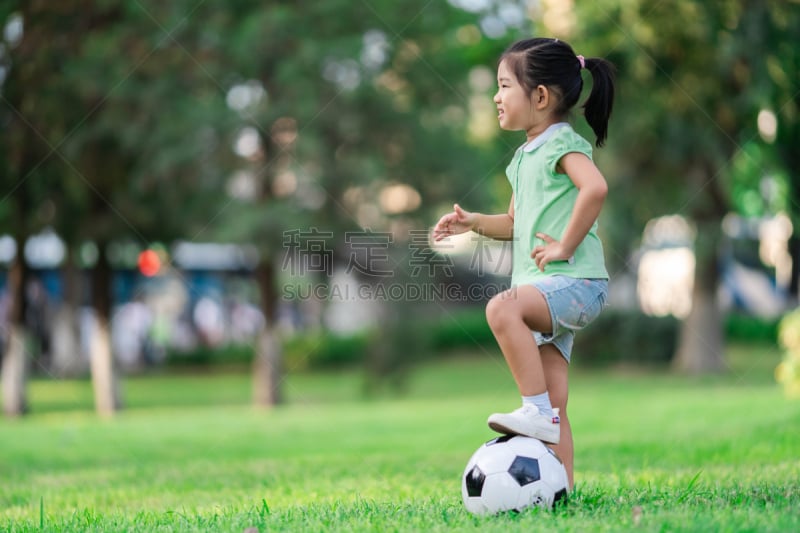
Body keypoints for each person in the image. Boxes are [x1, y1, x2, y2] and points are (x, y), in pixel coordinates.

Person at [432, 37, 615, 488]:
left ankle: (531, 411)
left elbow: (596, 189)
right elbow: (515, 223)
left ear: (539, 96)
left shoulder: (563, 144)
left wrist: (564, 247)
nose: (495, 96)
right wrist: (473, 222)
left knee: (501, 307)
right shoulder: (523, 157)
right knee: (557, 404)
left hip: (575, 281)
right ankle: (563, 486)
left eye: (504, 85)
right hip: (552, 289)